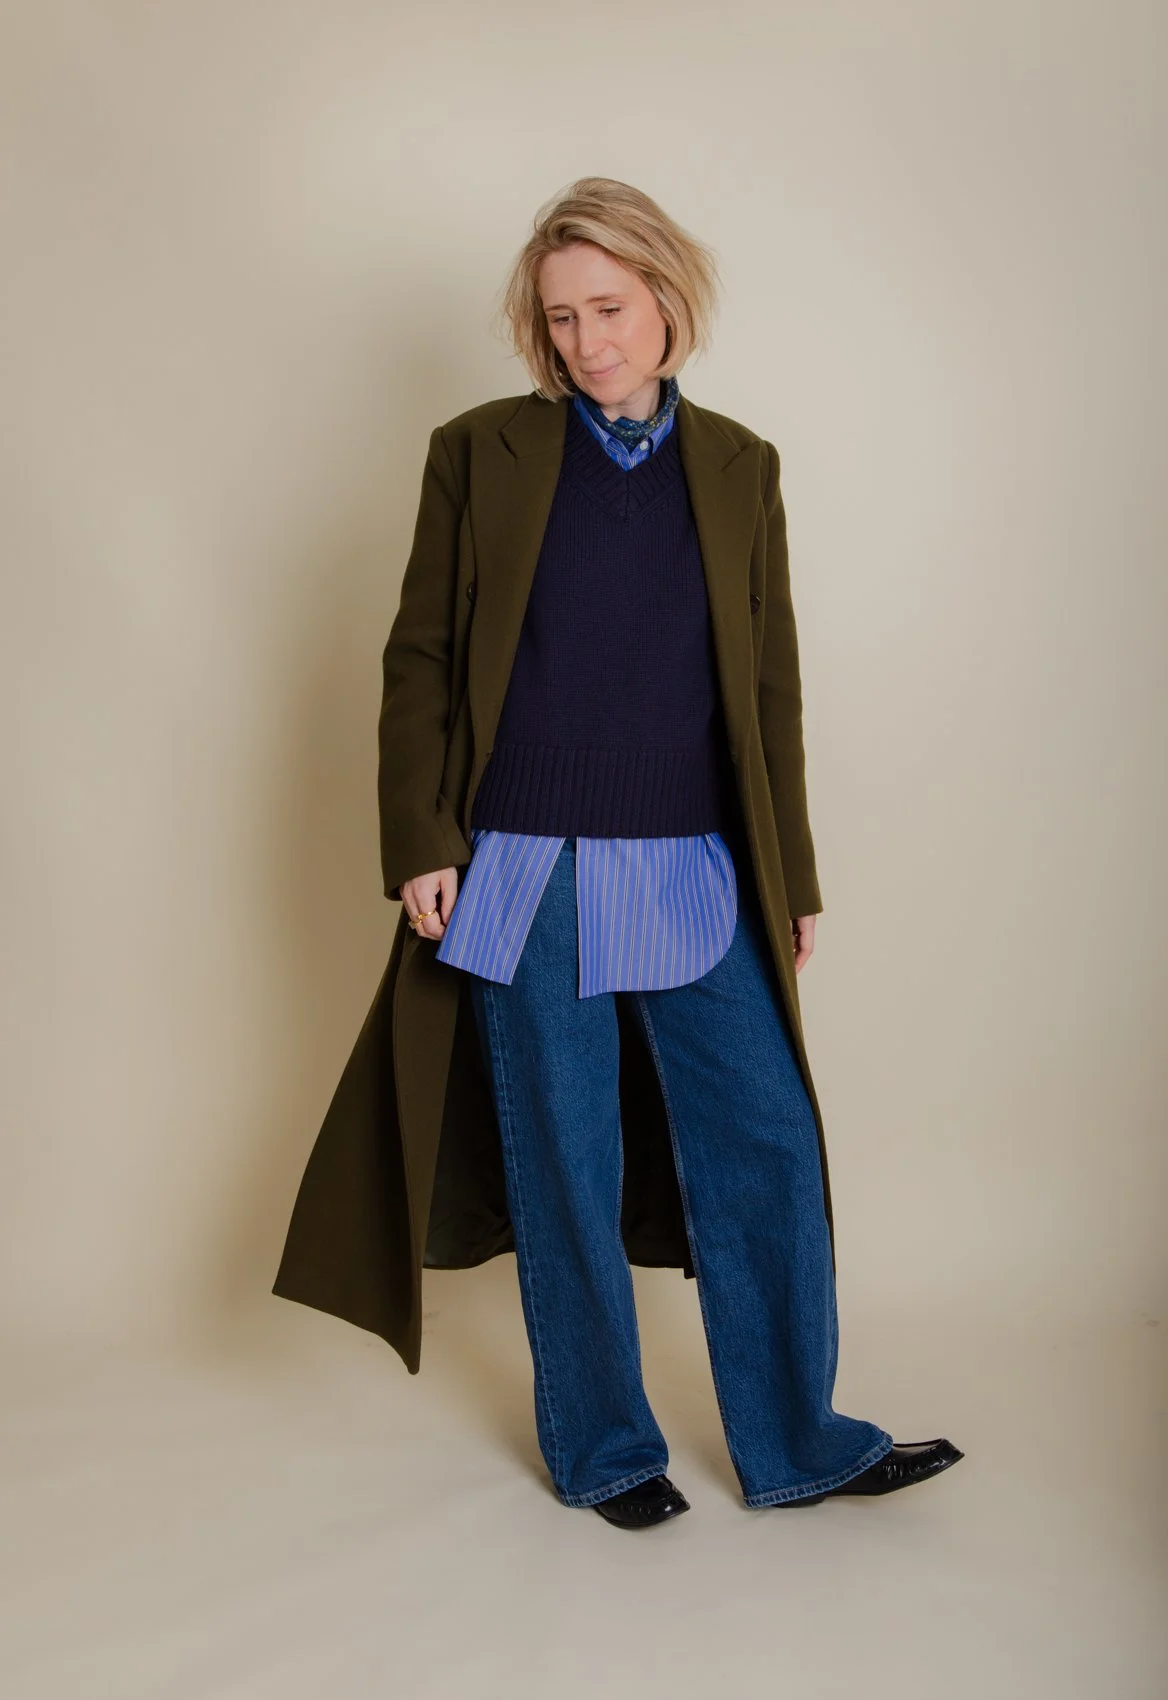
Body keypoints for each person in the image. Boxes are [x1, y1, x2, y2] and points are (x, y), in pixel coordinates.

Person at [272, 176, 963, 1530]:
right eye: (559, 317)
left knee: (765, 1138)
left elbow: (768, 690)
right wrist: (422, 841)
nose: (585, 341)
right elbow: (420, 658)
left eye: (609, 309)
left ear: (667, 300)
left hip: (693, 859)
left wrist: (792, 876)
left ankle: (801, 1441)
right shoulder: (479, 452)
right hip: (523, 864)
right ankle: (603, 1452)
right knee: (565, 1159)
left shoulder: (742, 465)